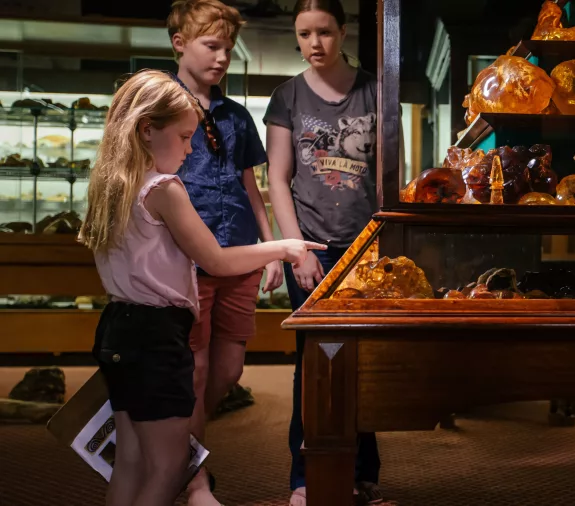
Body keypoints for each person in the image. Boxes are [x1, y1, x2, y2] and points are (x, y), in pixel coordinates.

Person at [78, 69, 325, 506]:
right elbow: (216, 261)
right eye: (184, 137)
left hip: (118, 325)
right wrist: (282, 247)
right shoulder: (164, 189)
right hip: (157, 334)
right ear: (147, 130)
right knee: (171, 464)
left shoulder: (112, 183)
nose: (191, 149)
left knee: (131, 459)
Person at [263, 1, 384, 504]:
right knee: (314, 361)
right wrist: (296, 251)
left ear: (343, 32)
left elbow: (390, 174)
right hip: (310, 246)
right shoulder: (287, 96)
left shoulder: (376, 90)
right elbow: (277, 179)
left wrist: (382, 245)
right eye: (304, 34)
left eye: (325, 32)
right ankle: (305, 476)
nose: (314, 43)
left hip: (366, 248)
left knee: (363, 361)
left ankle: (362, 470)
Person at [166, 2, 281, 503]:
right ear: (179, 43)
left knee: (228, 370)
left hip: (239, 251)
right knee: (193, 369)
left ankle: (176, 448)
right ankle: (194, 479)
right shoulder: (161, 104)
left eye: (228, 49)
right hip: (185, 256)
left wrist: (269, 248)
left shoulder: (235, 115)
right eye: (211, 46)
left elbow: (250, 185)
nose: (221, 58)